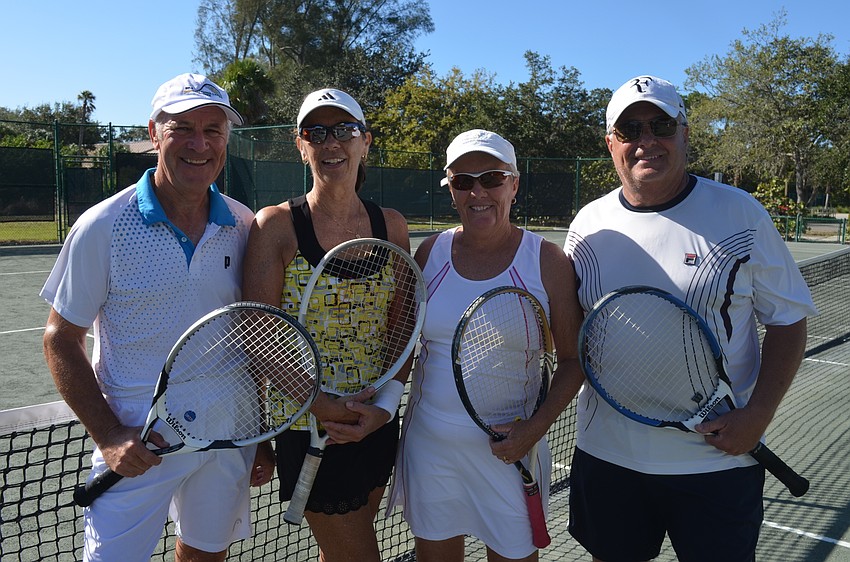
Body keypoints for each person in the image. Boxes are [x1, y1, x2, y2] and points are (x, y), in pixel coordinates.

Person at [563, 75, 818, 562]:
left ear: (684, 134)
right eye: (631, 128)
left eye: (661, 125)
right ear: (611, 142)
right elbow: (575, 332)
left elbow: (787, 321)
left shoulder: (741, 214)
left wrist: (758, 415)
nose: (647, 140)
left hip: (717, 465)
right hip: (607, 458)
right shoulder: (587, 225)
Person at [41, 73, 272, 562]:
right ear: (154, 132)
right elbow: (60, 339)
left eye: (213, 130)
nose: (199, 143)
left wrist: (261, 431)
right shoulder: (103, 226)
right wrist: (107, 435)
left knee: (206, 555)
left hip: (227, 435)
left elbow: (255, 334)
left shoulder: (245, 224)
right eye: (182, 128)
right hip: (137, 439)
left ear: (226, 141)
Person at [386, 129, 585, 562]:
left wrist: (532, 431)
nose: (478, 191)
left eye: (492, 178)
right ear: (451, 190)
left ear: (513, 184)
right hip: (430, 449)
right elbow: (405, 349)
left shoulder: (546, 261)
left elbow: (573, 362)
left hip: (510, 455)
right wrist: (378, 407)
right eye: (463, 181)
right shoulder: (430, 253)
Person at [241, 87, 411, 562]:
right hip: (308, 424)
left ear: (365, 142)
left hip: (374, 421)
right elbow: (257, 335)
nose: (330, 142)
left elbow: (403, 323)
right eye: (316, 132)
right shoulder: (275, 225)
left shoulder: (391, 226)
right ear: (301, 145)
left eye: (344, 130)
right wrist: (321, 405)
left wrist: (384, 407)